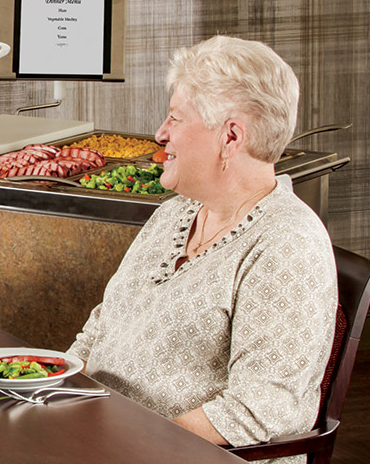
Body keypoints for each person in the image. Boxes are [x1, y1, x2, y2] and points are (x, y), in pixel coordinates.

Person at [67, 36, 337, 459]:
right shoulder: (174, 214)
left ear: (230, 137)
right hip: (97, 436)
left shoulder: (288, 244)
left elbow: (256, 412)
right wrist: (46, 386)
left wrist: (123, 445)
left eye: (175, 119)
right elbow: (101, 329)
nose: (160, 134)